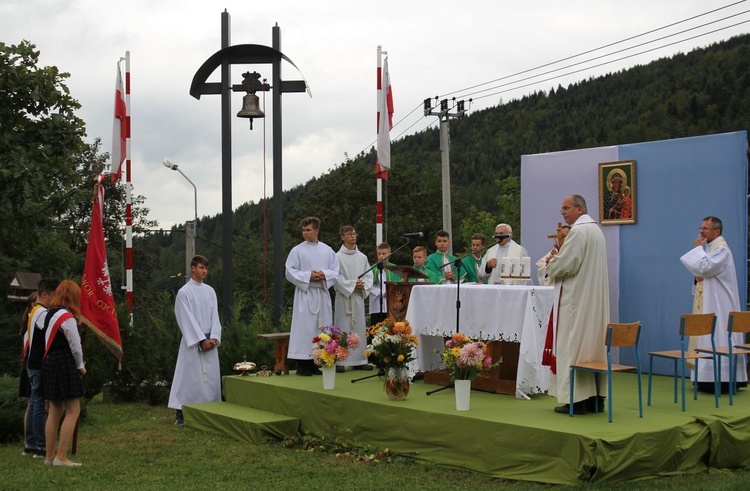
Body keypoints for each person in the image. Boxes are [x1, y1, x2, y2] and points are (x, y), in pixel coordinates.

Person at [545, 195, 610, 415]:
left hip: (576, 300)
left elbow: (566, 265)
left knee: (572, 346)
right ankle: (596, 399)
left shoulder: (578, 232)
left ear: (580, 208)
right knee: (591, 347)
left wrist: (552, 262)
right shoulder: (596, 230)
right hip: (593, 300)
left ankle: (576, 400)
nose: (562, 212)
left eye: (566, 208)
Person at [680, 216, 747, 392]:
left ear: (717, 231)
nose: (701, 231)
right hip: (709, 301)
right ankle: (705, 378)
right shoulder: (710, 249)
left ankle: (723, 379)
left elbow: (704, 267)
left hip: (720, 304)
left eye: (706, 228)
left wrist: (697, 249)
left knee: (719, 334)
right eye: (701, 227)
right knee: (707, 335)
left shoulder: (722, 250)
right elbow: (702, 272)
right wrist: (696, 279)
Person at [168, 255, 222, 426]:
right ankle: (182, 412)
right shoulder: (184, 292)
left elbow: (215, 317)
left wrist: (214, 337)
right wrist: (200, 340)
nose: (204, 271)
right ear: (193, 268)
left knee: (210, 379)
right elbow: (185, 318)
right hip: (194, 342)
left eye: (205, 268)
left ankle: (211, 410)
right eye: (200, 268)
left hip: (210, 341)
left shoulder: (210, 291)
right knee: (189, 378)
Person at [286, 217, 339, 376]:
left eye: (308, 230)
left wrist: (323, 274)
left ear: (316, 230)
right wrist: (309, 275)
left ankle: (318, 361)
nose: (305, 233)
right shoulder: (297, 250)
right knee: (304, 329)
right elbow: (289, 271)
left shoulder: (327, 250)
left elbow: (335, 270)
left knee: (321, 328)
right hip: (305, 294)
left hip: (321, 294)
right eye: (303, 230)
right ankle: (303, 364)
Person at [42, 280, 86, 466]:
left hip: (50, 360)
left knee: (54, 411)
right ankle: (61, 456)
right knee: (73, 410)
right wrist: (80, 365)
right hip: (64, 361)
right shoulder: (67, 317)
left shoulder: (49, 314)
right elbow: (75, 346)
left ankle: (49, 456)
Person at [25, 278, 59, 459]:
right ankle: (40, 445)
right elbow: (51, 328)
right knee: (39, 404)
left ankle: (31, 443)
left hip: (33, 362)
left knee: (34, 402)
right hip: (38, 363)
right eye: (54, 295)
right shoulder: (41, 313)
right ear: (45, 294)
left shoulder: (34, 311)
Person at [333, 225, 373, 372]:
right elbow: (335, 277)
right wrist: (352, 284)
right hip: (344, 298)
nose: (352, 236)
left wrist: (363, 285)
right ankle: (341, 361)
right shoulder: (336, 257)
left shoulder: (362, 257)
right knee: (343, 328)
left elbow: (369, 275)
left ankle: (360, 360)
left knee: (359, 328)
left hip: (357, 298)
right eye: (348, 234)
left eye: (354, 234)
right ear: (342, 237)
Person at [19, 291, 37, 457]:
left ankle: (29, 442)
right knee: (33, 404)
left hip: (28, 367)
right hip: (31, 366)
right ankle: (30, 442)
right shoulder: (30, 325)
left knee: (31, 404)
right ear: (33, 304)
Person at [368, 242, 400, 325]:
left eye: (384, 253)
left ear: (389, 254)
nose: (381, 256)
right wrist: (382, 293)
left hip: (392, 304)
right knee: (376, 329)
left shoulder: (395, 268)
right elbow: (369, 286)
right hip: (377, 304)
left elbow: (399, 283)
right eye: (379, 253)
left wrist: (391, 292)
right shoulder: (372, 269)